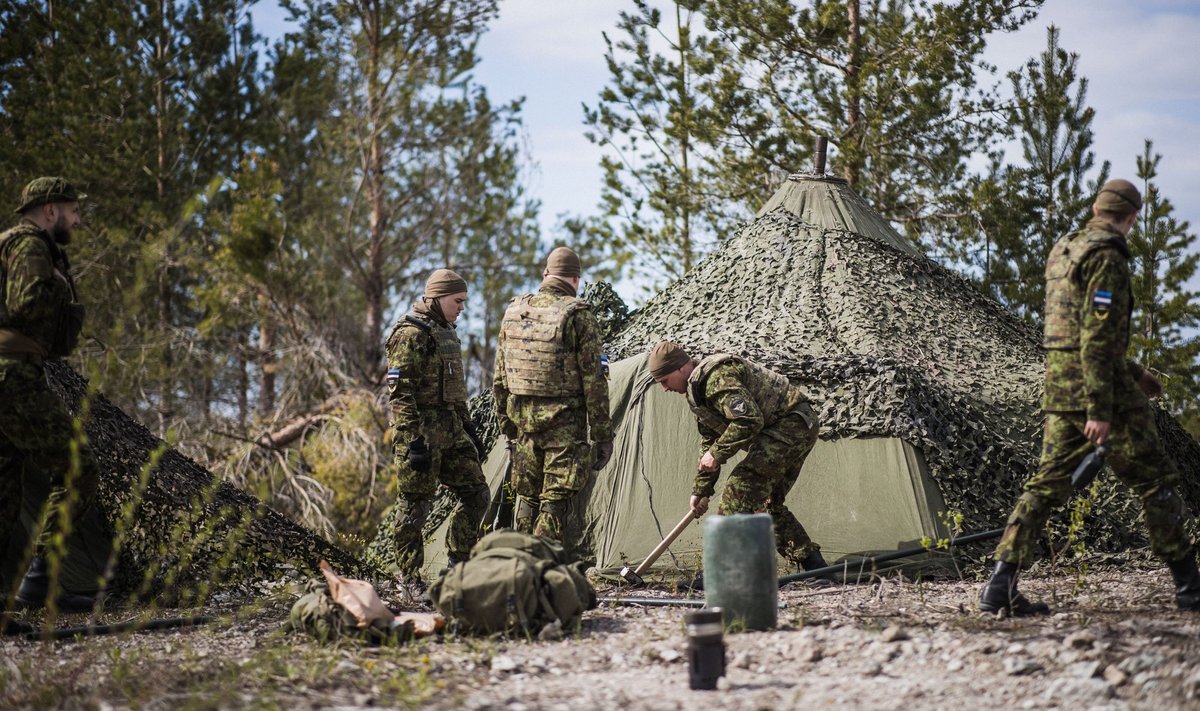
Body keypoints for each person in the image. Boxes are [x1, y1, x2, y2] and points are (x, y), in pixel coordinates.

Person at [979, 179, 1200, 616]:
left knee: (1044, 484)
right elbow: (1097, 337)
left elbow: (1075, 328)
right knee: (1155, 480)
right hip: (1101, 393)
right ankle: (1190, 586)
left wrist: (1136, 373)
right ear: (1132, 217)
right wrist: (1102, 409)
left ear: (1098, 208)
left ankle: (999, 585)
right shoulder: (1107, 257)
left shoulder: (1066, 248)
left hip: (1062, 384)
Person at [0, 177, 98, 614]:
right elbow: (28, 305)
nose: (77, 220)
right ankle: (41, 582)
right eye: (72, 210)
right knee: (78, 466)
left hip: (12, 372)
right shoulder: (30, 245)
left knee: (5, 489)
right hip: (12, 375)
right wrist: (58, 283)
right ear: (50, 210)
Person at [647, 341, 830, 575]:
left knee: (741, 487)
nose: (664, 388)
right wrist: (701, 489)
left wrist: (717, 453)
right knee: (766, 503)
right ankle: (818, 569)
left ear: (682, 368)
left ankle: (717, 572)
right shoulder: (697, 392)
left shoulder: (716, 378)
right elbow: (710, 441)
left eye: (664, 380)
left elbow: (749, 420)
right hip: (798, 425)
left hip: (791, 425)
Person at [494, 247, 613, 544]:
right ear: (576, 279)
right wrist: (602, 436)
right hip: (564, 425)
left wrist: (507, 427)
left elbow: (500, 378)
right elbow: (594, 382)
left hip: (522, 423)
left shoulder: (514, 312)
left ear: (545, 274)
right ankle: (540, 569)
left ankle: (518, 567)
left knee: (527, 496)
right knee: (554, 500)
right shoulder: (578, 315)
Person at [382, 268, 490, 588]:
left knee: (476, 494)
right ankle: (409, 580)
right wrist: (414, 442)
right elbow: (399, 394)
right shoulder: (409, 334)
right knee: (415, 507)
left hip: (452, 429)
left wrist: (468, 429)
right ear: (437, 297)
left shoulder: (447, 330)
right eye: (457, 301)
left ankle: (456, 564)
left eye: (464, 301)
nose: (462, 307)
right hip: (421, 434)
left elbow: (455, 389)